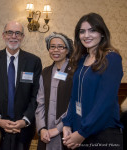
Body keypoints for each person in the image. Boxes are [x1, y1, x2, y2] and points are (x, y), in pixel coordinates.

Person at [62, 13, 123, 150]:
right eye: (82, 31)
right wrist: (67, 123)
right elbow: (74, 97)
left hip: (101, 133)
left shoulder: (112, 58)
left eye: (92, 30)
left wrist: (83, 132)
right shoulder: (82, 59)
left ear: (102, 33)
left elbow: (104, 103)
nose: (86, 35)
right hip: (79, 129)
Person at [0, 21, 42, 150]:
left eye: (18, 33)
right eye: (10, 32)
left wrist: (25, 120)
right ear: (3, 35)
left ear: (22, 37)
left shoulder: (34, 61)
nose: (13, 36)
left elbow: (36, 95)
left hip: (23, 128)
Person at [35, 32, 74, 150]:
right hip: (46, 133)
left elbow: (75, 104)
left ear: (67, 50)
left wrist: (58, 128)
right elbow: (40, 103)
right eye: (52, 46)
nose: (55, 50)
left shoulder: (75, 71)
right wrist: (42, 128)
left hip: (68, 130)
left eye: (60, 47)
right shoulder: (45, 72)